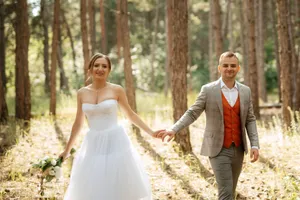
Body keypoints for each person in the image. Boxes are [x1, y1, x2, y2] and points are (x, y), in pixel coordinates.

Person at [157, 51, 260, 200]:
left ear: (238, 68)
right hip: (217, 149)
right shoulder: (208, 90)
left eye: (233, 66)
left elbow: (250, 119)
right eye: (225, 65)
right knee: (225, 193)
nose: (229, 68)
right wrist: (174, 129)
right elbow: (192, 113)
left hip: (238, 149)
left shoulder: (245, 91)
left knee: (230, 190)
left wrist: (255, 145)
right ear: (219, 68)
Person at [59, 53, 162, 200]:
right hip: (93, 142)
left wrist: (151, 132)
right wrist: (67, 150)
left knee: (116, 182)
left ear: (109, 70)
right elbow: (78, 123)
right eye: (96, 65)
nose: (100, 69)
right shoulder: (82, 93)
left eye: (104, 66)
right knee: (95, 182)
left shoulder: (116, 90)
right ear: (90, 69)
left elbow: (131, 115)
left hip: (115, 141)